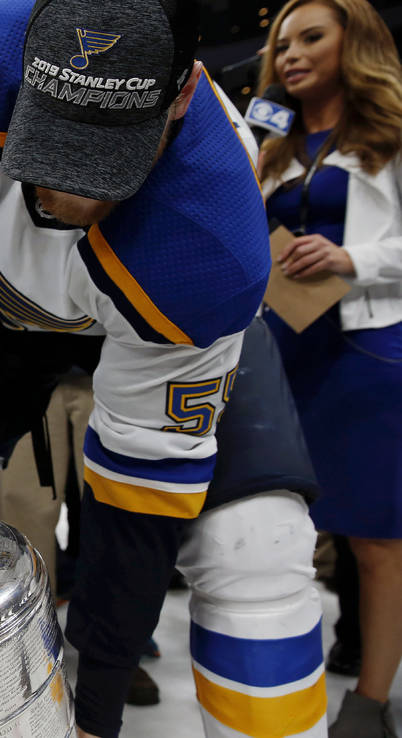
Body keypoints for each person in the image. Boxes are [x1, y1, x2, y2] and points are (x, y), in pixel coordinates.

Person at [0, 1, 325, 736]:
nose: (63, 192)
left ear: (181, 96)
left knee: (257, 545)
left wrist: (98, 708)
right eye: (51, 137)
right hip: (1, 313)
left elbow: (136, 507)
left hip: (158, 314)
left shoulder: (210, 250)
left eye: (104, 153)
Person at [258, 1, 402, 735]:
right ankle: (288, 673)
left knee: (377, 538)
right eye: (282, 44)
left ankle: (370, 702)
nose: (290, 55)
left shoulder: (390, 135)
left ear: (358, 43)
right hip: (283, 357)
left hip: (368, 355)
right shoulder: (272, 145)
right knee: (285, 527)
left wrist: (357, 259)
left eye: (311, 37)